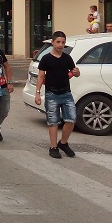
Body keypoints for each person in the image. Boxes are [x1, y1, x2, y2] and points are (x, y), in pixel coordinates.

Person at [35, 31, 80, 159]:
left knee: (71, 119)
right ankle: (53, 147)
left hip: (66, 93)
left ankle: (63, 143)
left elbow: (74, 72)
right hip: (51, 94)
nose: (61, 45)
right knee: (53, 122)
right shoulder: (46, 58)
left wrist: (77, 72)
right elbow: (40, 76)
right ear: (53, 43)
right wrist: (37, 93)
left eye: (63, 42)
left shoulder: (67, 58)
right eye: (58, 42)